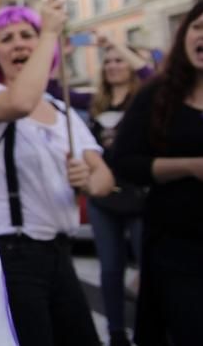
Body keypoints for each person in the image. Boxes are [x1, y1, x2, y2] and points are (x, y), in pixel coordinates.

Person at [0, 0, 115, 346]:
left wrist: (88, 182)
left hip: (61, 255)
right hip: (12, 255)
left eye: (27, 35)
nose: (19, 43)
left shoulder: (63, 111)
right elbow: (20, 103)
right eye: (7, 38)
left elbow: (104, 177)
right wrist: (47, 32)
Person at [110, 0, 203, 346]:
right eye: (198, 27)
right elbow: (125, 162)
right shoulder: (156, 95)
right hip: (177, 246)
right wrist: (192, 167)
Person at [86, 38, 154, 346]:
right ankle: (116, 333)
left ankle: (148, 329)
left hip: (140, 196)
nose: (113, 65)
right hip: (103, 199)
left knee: (149, 268)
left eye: (119, 60)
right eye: (108, 61)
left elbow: (152, 77)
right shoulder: (94, 103)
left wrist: (115, 43)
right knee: (110, 269)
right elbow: (50, 87)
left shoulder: (144, 102)